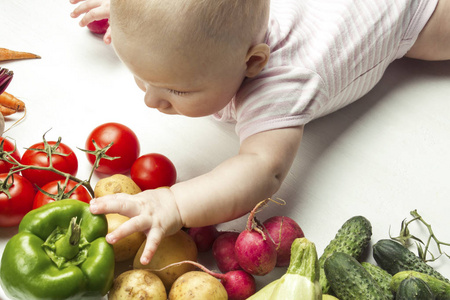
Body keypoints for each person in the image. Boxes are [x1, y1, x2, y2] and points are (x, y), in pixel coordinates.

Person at [70, 0, 450, 265]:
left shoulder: (279, 83)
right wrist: (137, 22)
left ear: (251, 63)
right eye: (140, 74)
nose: (152, 100)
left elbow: (261, 167)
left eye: (178, 89)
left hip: (412, 12)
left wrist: (173, 203)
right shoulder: (220, 36)